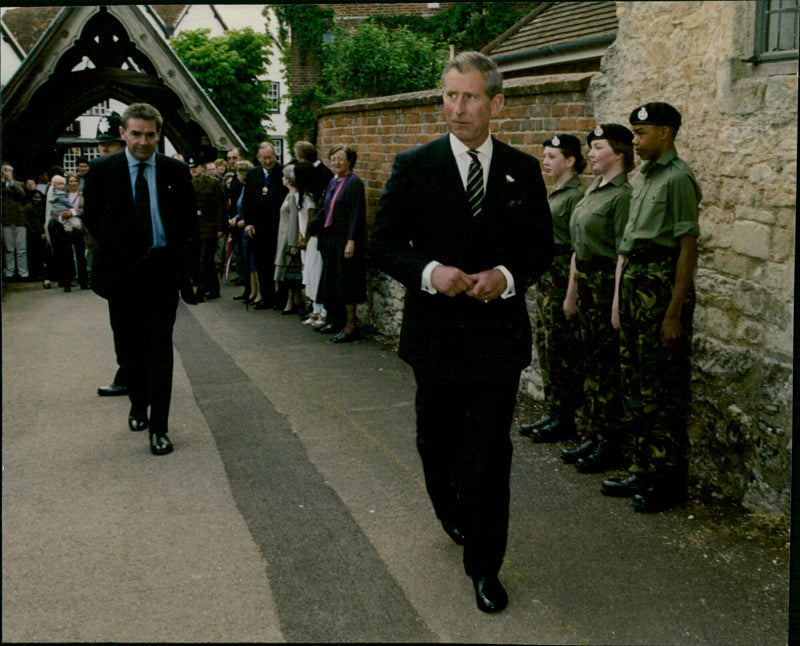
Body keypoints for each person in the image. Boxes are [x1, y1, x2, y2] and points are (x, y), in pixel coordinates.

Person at [370, 51, 553, 613]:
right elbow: (385, 245)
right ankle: (450, 509)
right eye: (450, 96)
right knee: (436, 441)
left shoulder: (522, 170)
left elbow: (540, 249)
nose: (457, 108)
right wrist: (430, 272)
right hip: (437, 338)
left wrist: (504, 275)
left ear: (495, 103)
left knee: (489, 453)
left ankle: (485, 565)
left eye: (470, 96)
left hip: (497, 339)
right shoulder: (415, 166)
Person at [602, 102, 702, 513]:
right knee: (636, 383)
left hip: (660, 286)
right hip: (635, 281)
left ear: (665, 133)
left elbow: (687, 248)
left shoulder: (678, 179)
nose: (635, 142)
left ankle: (667, 480)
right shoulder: (643, 177)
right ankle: (643, 468)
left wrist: (674, 312)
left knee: (662, 388)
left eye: (641, 135)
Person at [83, 102, 197, 456]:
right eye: (136, 134)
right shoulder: (103, 171)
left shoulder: (175, 173)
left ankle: (159, 429)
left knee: (160, 349)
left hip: (161, 272)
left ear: (158, 135)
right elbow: (93, 219)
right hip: (122, 276)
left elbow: (186, 225)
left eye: (150, 135)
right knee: (129, 349)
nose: (143, 141)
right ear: (123, 133)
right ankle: (137, 404)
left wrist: (182, 269)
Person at [561, 124, 633, 474]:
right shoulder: (592, 191)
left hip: (607, 282)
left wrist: (617, 302)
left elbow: (623, 253)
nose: (590, 153)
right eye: (589, 147)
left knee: (607, 366)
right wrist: (571, 293)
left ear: (619, 152)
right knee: (591, 362)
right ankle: (595, 432)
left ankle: (612, 443)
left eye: (598, 147)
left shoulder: (623, 196)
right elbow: (577, 247)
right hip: (586, 280)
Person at [520, 134, 587, 443]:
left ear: (570, 160)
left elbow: (577, 247)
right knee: (548, 345)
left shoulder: (576, 196)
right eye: (544, 156)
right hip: (549, 274)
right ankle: (554, 411)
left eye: (552, 156)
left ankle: (565, 417)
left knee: (562, 348)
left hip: (563, 275)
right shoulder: (557, 193)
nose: (545, 162)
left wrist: (571, 289)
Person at [94, 110, 130, 397]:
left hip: (141, 261)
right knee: (120, 323)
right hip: (115, 262)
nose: (103, 149)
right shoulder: (99, 174)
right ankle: (126, 371)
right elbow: (93, 219)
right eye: (101, 145)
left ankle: (135, 373)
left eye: (109, 144)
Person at [315, 144, 367, 343]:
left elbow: (356, 213)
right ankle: (335, 320)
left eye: (340, 159)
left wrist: (351, 241)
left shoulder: (354, 183)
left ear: (349, 161)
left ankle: (350, 326)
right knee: (332, 282)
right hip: (332, 239)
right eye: (333, 158)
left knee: (346, 284)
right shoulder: (333, 181)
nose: (336, 162)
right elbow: (325, 208)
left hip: (346, 240)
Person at [242, 142, 287, 309]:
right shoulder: (253, 174)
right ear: (259, 158)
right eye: (265, 158)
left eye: (271, 157)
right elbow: (247, 201)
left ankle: (281, 300)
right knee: (262, 264)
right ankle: (267, 298)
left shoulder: (283, 172)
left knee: (280, 264)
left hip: (278, 226)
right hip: (259, 228)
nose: (269, 161)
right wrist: (248, 223)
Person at [188, 156, 226, 302]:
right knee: (200, 259)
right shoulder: (188, 183)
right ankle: (214, 289)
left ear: (202, 168)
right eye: (191, 168)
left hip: (210, 225)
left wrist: (221, 227)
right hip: (195, 227)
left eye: (196, 167)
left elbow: (220, 206)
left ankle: (201, 290)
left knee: (205, 259)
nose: (194, 170)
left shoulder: (213, 183)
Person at [294, 161, 326, 327]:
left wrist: (305, 238)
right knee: (308, 272)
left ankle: (322, 311)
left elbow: (311, 217)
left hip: (313, 239)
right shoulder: (300, 194)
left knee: (316, 274)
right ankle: (314, 309)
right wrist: (300, 235)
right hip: (305, 238)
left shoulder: (311, 195)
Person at [48, 173, 88, 292]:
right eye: (70, 181)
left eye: (75, 181)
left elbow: (87, 209)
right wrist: (62, 216)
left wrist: (74, 212)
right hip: (63, 226)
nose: (73, 183)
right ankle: (67, 282)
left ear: (78, 183)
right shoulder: (61, 194)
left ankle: (84, 282)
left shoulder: (83, 195)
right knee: (66, 255)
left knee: (80, 255)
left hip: (78, 226)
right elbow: (53, 211)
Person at [274, 164, 304, 314]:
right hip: (283, 236)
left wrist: (293, 243)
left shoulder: (293, 196)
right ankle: (294, 300)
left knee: (291, 272)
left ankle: (292, 301)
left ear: (288, 179)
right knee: (289, 273)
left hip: (288, 238)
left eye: (284, 176)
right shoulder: (289, 194)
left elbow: (294, 220)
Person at [2, 162, 29, 281]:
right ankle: (9, 272)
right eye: (4, 170)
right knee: (9, 248)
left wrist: (11, 182)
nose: (6, 172)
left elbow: (22, 194)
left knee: (21, 248)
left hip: (19, 220)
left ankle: (23, 272)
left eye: (9, 170)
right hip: (6, 219)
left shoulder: (18, 184)